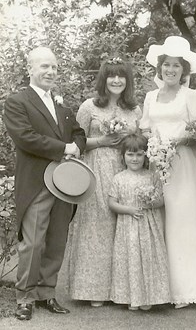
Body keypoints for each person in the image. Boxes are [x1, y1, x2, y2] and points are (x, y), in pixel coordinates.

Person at [3, 47, 86, 321]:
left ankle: (47, 293)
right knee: (33, 242)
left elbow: (78, 133)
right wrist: (65, 147)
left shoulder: (62, 107)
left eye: (54, 67)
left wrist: (76, 146)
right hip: (36, 183)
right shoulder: (17, 102)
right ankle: (25, 297)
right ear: (30, 68)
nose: (50, 72)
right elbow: (25, 137)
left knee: (56, 240)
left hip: (64, 184)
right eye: (44, 67)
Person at [65, 58, 142, 306]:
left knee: (122, 227)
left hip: (124, 171)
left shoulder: (135, 110)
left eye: (121, 76)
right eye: (111, 76)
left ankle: (121, 290)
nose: (116, 80)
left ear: (127, 80)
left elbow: (139, 145)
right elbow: (76, 141)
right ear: (104, 79)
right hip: (96, 168)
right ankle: (93, 291)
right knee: (97, 227)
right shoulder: (89, 107)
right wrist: (102, 141)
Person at [139, 36, 196, 308]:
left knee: (184, 222)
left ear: (184, 70)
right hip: (157, 164)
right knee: (161, 221)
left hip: (185, 165)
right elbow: (144, 127)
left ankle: (188, 289)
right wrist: (153, 144)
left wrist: (176, 142)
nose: (171, 70)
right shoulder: (150, 96)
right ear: (160, 67)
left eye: (177, 66)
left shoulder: (191, 96)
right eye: (167, 65)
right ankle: (162, 288)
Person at [108, 133, 170, 310]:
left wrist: (151, 201)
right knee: (131, 260)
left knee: (149, 260)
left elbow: (162, 200)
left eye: (139, 154)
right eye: (130, 154)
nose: (134, 159)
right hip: (128, 228)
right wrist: (129, 210)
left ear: (146, 156)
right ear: (123, 156)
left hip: (149, 227)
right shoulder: (119, 178)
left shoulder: (152, 176)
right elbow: (112, 203)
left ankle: (148, 297)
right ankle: (131, 297)